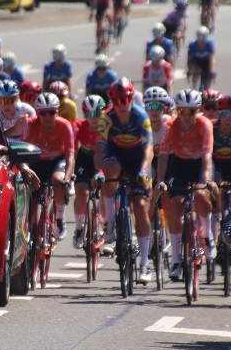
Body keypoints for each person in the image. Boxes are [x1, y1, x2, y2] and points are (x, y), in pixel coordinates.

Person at [93, 79, 154, 282]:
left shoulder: (141, 116)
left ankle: (144, 264)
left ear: (131, 99)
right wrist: (98, 171)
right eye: (116, 100)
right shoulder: (107, 118)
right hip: (115, 155)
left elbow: (149, 148)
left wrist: (143, 170)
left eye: (125, 100)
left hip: (138, 159)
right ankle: (110, 224)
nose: (120, 104)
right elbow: (99, 148)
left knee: (140, 205)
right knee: (110, 172)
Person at [157, 89, 215, 280]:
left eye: (192, 111)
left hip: (200, 164)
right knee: (175, 204)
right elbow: (163, 156)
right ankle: (176, 260)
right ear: (177, 111)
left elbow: (207, 157)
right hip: (179, 164)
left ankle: (207, 235)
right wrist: (160, 181)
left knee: (200, 194)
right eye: (182, 111)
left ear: (198, 110)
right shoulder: (168, 126)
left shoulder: (205, 124)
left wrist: (207, 181)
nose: (187, 116)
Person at [20, 92, 76, 241]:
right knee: (33, 202)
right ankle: (30, 234)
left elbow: (70, 156)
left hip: (57, 161)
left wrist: (67, 179)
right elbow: (22, 152)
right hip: (36, 161)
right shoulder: (29, 125)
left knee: (57, 180)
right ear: (38, 113)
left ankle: (60, 217)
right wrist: (25, 170)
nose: (47, 117)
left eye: (51, 113)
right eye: (43, 113)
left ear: (57, 112)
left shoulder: (65, 125)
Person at [72, 94, 107, 249]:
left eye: (97, 113)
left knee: (108, 189)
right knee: (81, 191)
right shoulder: (78, 126)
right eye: (89, 114)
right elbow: (73, 151)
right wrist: (71, 172)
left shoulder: (110, 124)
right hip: (85, 158)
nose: (94, 118)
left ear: (104, 112)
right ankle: (79, 228)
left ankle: (108, 226)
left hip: (104, 158)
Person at [185, 26, 216, 91]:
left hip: (206, 62)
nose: (202, 42)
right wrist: (189, 69)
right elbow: (189, 59)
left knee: (207, 82)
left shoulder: (210, 44)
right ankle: (194, 87)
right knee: (195, 70)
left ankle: (206, 91)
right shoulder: (192, 44)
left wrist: (212, 69)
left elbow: (212, 58)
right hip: (196, 61)